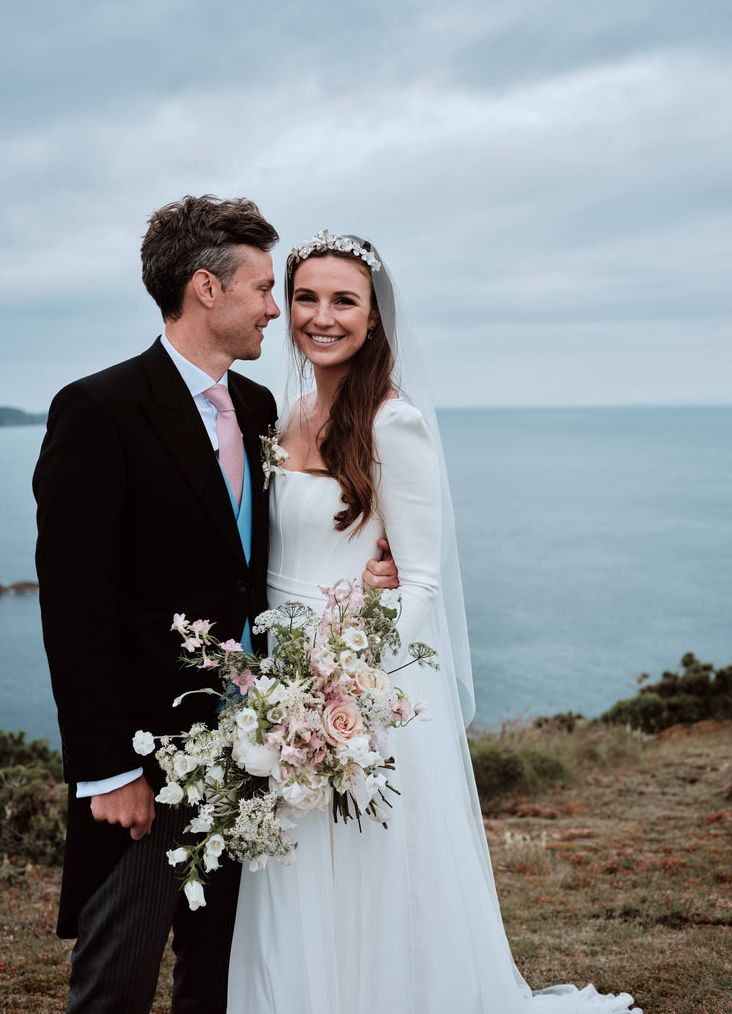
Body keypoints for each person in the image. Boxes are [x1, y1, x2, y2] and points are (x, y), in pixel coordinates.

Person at [227, 231, 643, 1014]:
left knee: (370, 868)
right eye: (307, 297)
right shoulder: (286, 415)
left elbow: (417, 576)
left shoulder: (393, 423)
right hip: (281, 667)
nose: (322, 316)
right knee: (292, 863)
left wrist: (343, 682)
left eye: (344, 300)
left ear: (376, 317)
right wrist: (287, 683)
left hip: (359, 685)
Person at [33, 197, 395, 1014]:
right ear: (206, 288)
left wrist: (378, 562)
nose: (280, 308)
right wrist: (110, 771)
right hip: (148, 764)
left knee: (225, 973)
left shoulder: (262, 408)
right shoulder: (98, 411)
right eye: (266, 289)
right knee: (117, 977)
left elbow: (267, 559)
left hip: (257, 747)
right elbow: (75, 608)